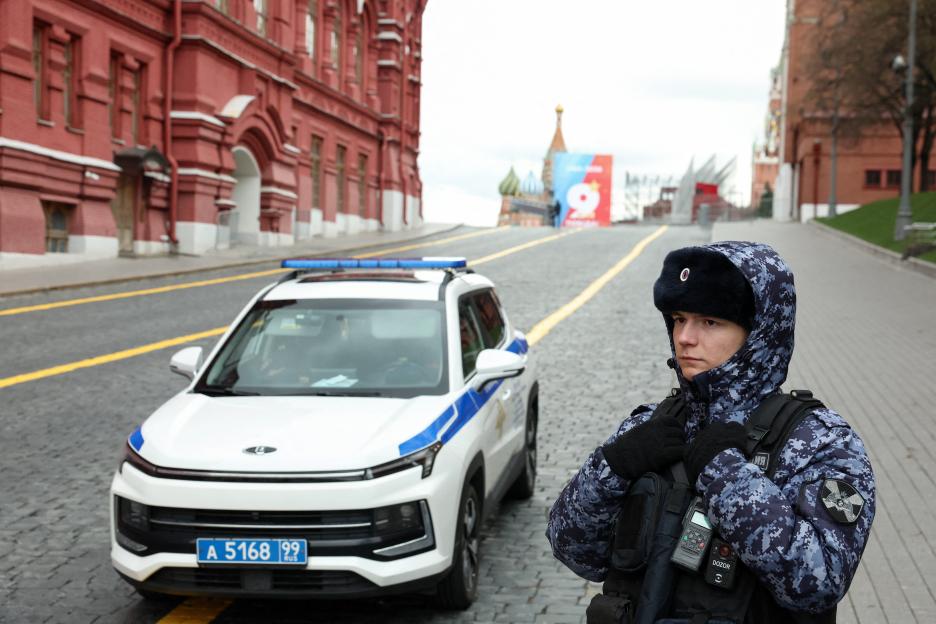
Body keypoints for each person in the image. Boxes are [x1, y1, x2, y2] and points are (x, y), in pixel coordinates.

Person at [546, 242, 875, 623]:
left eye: (710, 322)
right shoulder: (651, 426)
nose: (685, 337)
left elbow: (818, 581)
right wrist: (612, 468)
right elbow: (574, 551)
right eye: (679, 318)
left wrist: (725, 474)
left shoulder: (821, 442)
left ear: (759, 334)